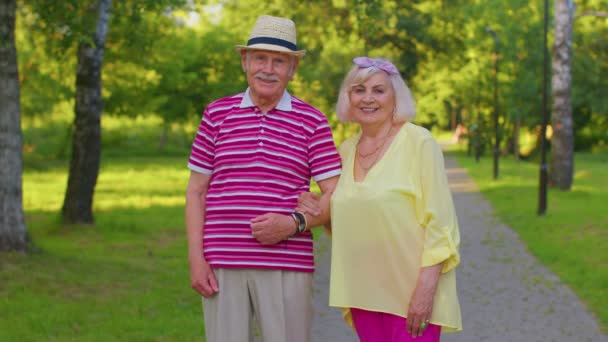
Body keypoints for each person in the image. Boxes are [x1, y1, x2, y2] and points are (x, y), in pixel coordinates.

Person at [184, 15, 341, 342]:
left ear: (292, 69)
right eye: (260, 58)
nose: (268, 69)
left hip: (288, 264)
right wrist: (196, 260)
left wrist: (293, 223)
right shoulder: (216, 114)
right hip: (221, 262)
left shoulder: (312, 121)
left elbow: (337, 195)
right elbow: (196, 192)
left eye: (279, 61)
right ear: (245, 61)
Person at [297, 57, 463, 341]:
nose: (368, 98)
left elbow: (441, 223)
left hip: (410, 292)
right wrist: (313, 204)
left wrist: (426, 288)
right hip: (364, 291)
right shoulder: (345, 151)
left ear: (395, 96)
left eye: (378, 90)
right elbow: (341, 217)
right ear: (348, 97)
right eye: (359, 90)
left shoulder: (419, 142)